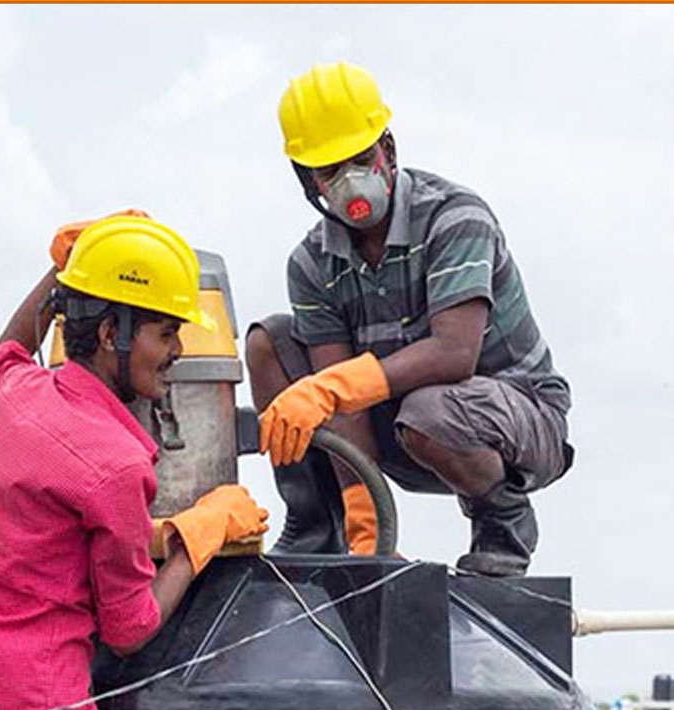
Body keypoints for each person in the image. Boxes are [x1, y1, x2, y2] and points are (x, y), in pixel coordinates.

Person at [0, 213, 268, 710]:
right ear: (113, 333)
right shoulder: (117, 463)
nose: (176, 352)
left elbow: (7, 351)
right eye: (164, 331)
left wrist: (62, 270)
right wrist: (199, 537)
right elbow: (128, 628)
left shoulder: (18, 398)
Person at [246, 61, 573, 573]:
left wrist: (332, 387)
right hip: (400, 427)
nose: (351, 182)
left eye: (361, 159)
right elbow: (343, 404)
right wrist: (369, 536)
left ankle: (502, 521)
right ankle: (323, 527)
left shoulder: (454, 217)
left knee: (427, 408)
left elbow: (454, 353)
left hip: (514, 424)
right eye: (330, 171)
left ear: (389, 150)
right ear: (309, 182)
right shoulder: (311, 264)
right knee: (271, 342)